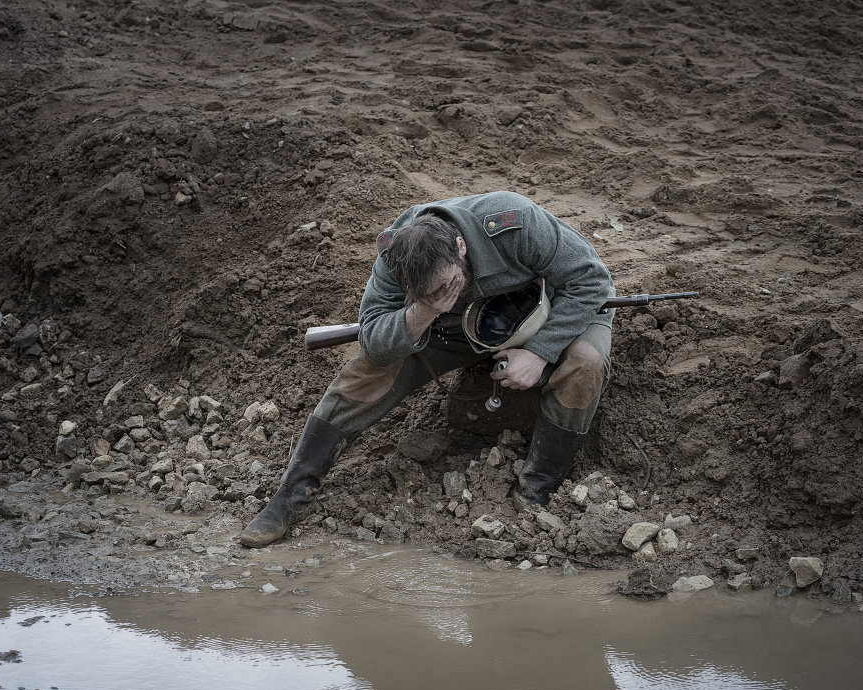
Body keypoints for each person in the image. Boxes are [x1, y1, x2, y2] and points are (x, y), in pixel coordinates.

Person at [239, 191, 615, 548]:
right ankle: (290, 498)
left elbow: (590, 280)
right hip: (453, 329)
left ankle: (537, 490)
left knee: (586, 363)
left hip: (551, 311)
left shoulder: (514, 221)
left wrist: (539, 352)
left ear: (460, 247)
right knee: (366, 370)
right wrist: (426, 310)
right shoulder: (393, 255)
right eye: (427, 292)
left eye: (446, 284)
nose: (440, 295)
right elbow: (373, 338)